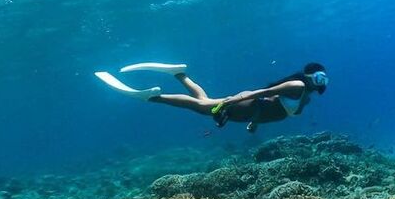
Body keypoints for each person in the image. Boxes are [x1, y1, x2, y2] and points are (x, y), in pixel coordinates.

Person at [94, 62, 328, 132]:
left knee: (203, 101)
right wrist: (235, 100)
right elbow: (264, 93)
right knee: (200, 106)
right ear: (308, 75)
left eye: (324, 79)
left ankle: (179, 74)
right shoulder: (297, 85)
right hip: (246, 105)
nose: (321, 82)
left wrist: (255, 123)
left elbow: (274, 106)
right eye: (318, 77)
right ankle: (152, 97)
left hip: (250, 112)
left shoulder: (305, 95)